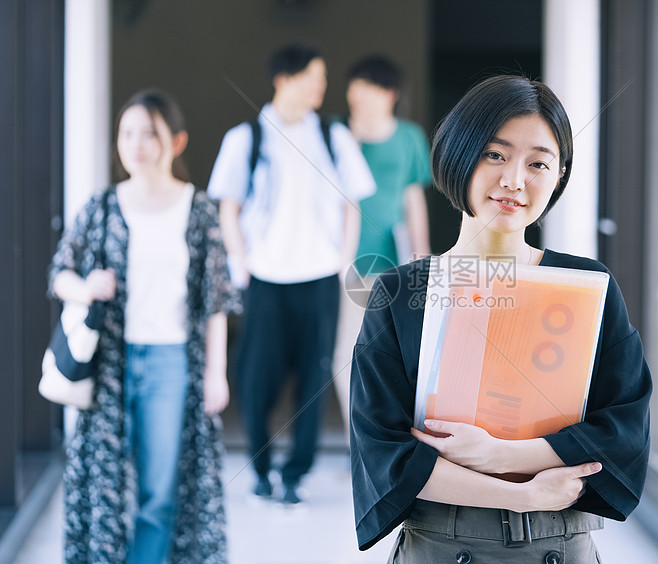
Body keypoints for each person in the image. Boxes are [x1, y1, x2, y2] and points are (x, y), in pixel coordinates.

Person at [350, 75, 652, 562]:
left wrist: (505, 456)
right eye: (495, 154)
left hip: (561, 548)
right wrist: (522, 495)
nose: (515, 179)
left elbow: (624, 429)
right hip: (442, 549)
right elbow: (383, 453)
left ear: (559, 175)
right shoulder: (401, 293)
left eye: (538, 163)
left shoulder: (588, 288)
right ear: (458, 154)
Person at [49, 89, 240, 563]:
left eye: (148, 133)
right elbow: (60, 275)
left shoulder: (197, 210)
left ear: (175, 142)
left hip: (172, 362)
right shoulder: (101, 207)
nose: (135, 143)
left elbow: (216, 298)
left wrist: (216, 373)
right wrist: (87, 286)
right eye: (127, 133)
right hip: (110, 363)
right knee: (106, 488)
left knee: (159, 490)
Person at [207, 43, 375, 504]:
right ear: (284, 78)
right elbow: (228, 207)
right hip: (263, 277)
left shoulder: (333, 135)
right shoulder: (246, 137)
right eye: (313, 77)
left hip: (319, 277)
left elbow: (352, 203)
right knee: (256, 377)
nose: (321, 87)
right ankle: (260, 469)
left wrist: (343, 262)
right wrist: (240, 263)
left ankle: (294, 475)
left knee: (313, 377)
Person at [332, 55, 432, 434]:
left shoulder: (408, 136)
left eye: (368, 86)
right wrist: (350, 140)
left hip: (395, 262)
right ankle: (357, 441)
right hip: (348, 263)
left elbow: (412, 198)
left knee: (397, 354)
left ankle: (395, 437)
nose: (357, 93)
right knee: (346, 355)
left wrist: (421, 253)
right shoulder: (337, 132)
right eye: (354, 84)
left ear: (389, 93)